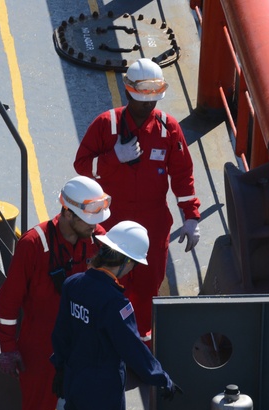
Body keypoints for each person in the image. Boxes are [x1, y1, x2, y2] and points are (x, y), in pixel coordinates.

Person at [0, 176, 110, 410]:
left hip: (85, 347)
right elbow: (9, 300)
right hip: (39, 349)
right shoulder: (34, 244)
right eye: (88, 221)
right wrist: (8, 347)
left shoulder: (99, 242)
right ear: (68, 213)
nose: (95, 228)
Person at [73, 57, 201, 346]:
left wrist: (191, 217)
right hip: (110, 221)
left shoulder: (168, 130)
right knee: (107, 282)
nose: (148, 105)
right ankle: (103, 336)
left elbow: (182, 175)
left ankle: (138, 341)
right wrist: (112, 160)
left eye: (153, 99)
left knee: (146, 285)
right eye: (143, 99)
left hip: (152, 224)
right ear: (128, 91)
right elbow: (82, 165)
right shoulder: (107, 125)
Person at [50, 220, 181, 410]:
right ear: (124, 262)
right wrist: (162, 378)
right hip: (103, 394)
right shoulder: (115, 303)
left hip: (75, 384)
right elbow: (133, 349)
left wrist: (60, 369)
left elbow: (61, 334)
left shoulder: (73, 284)